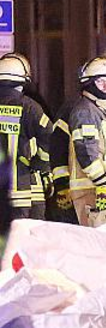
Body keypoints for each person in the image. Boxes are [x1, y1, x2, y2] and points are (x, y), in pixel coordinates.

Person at [59, 56, 106, 227]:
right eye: (101, 81)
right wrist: (101, 183)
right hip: (94, 190)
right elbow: (86, 150)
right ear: (89, 83)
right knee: (101, 245)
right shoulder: (85, 112)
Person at [0, 53, 53, 220]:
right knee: (26, 237)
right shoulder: (30, 107)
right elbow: (49, 136)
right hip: (21, 186)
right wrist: (41, 165)